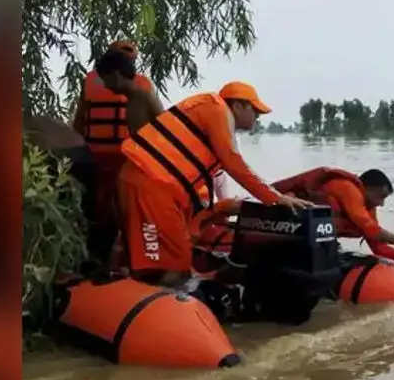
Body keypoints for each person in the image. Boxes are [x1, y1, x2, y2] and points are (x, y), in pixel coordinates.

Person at [116, 81, 314, 286]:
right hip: (151, 185)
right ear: (237, 105)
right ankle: (160, 308)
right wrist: (275, 198)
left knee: (152, 264)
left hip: (145, 182)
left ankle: (138, 294)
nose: (257, 117)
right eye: (255, 110)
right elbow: (234, 164)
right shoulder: (216, 109)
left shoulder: (213, 116)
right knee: (176, 270)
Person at [69, 41, 161, 265]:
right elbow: (161, 128)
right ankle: (114, 260)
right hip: (120, 159)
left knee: (100, 212)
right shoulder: (143, 86)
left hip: (100, 156)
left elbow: (79, 121)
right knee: (116, 212)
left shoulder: (92, 80)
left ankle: (100, 258)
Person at [268, 167, 394, 268]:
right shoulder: (347, 188)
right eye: (381, 196)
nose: (381, 204)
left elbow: (379, 248)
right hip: (288, 233)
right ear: (366, 187)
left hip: (315, 243)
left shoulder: (368, 208)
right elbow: (368, 226)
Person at [23, 115, 108, 266]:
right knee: (79, 217)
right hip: (82, 155)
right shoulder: (41, 122)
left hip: (63, 158)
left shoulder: (25, 130)